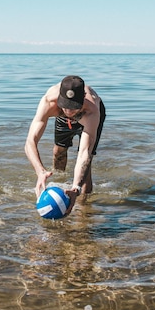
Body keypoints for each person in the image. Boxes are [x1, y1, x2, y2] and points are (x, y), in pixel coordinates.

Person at [25, 75, 106, 214]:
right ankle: (58, 182)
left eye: (73, 108)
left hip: (87, 119)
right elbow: (30, 142)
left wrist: (76, 188)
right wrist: (40, 172)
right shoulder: (49, 102)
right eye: (66, 107)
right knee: (58, 152)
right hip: (62, 118)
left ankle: (83, 210)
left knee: (86, 166)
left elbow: (84, 153)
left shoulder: (92, 110)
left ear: (83, 98)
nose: (69, 112)